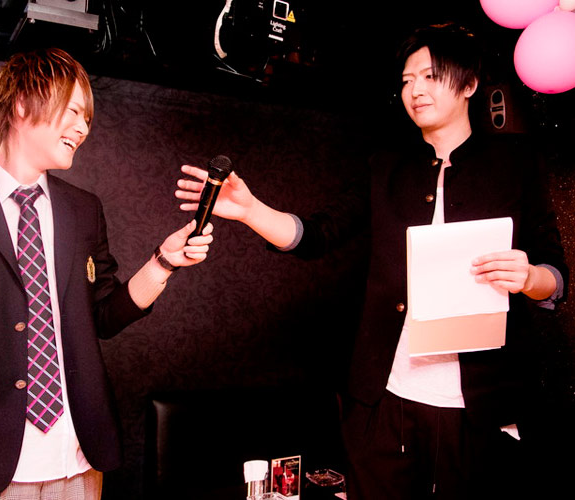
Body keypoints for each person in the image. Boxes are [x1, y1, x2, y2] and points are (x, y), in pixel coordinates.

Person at [176, 24, 568, 499]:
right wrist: (250, 211)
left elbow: (556, 275)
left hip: (481, 407)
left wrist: (529, 277)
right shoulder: (386, 167)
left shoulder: (515, 164)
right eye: (406, 80)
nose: (415, 90)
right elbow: (318, 234)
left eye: (430, 75)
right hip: (385, 399)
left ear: (468, 84)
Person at [0, 47, 214, 500]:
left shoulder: (83, 209)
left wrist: (163, 262)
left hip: (76, 458)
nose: (83, 128)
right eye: (74, 112)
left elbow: (104, 315)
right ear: (22, 104)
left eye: (87, 119)